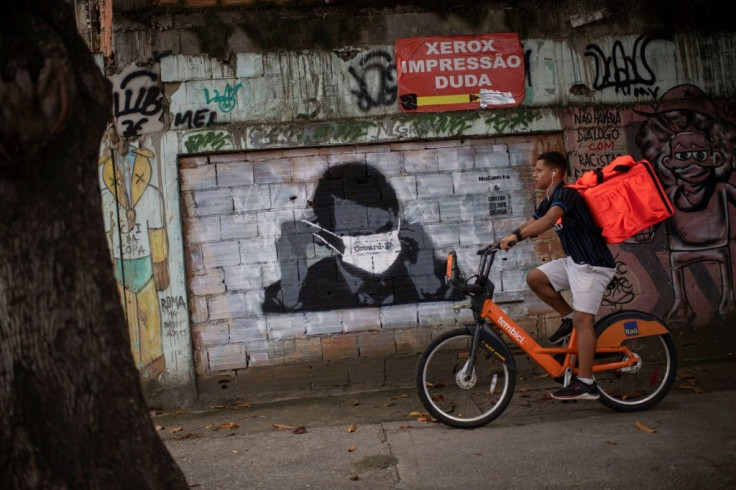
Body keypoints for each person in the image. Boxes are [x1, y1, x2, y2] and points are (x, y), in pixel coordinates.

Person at [498, 151, 616, 400]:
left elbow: (550, 220)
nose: (534, 174)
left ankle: (586, 383)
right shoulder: (549, 197)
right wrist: (504, 238)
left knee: (585, 322)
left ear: (555, 173)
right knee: (535, 278)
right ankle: (568, 316)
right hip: (575, 262)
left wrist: (516, 238)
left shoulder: (566, 194)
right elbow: (533, 222)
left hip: (593, 265)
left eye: (538, 170)